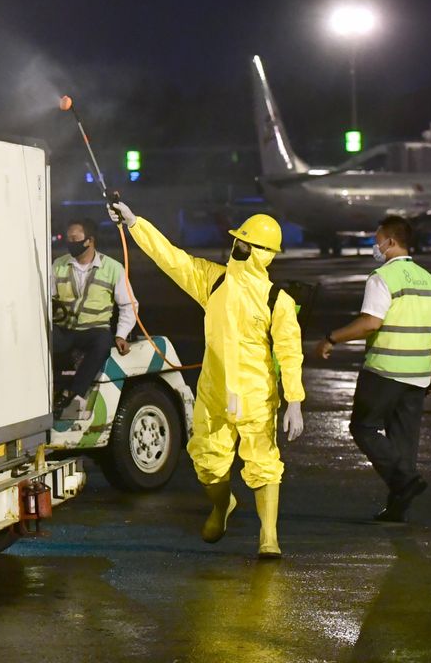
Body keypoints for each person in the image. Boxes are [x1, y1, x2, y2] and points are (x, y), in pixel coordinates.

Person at [109, 203, 305, 558]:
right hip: (214, 394)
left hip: (257, 396)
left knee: (263, 464)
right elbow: (170, 257)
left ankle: (269, 537)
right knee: (208, 466)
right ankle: (222, 505)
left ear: (264, 255)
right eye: (238, 242)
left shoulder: (278, 301)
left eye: (246, 245)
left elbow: (291, 352)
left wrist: (294, 401)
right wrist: (136, 223)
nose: (238, 248)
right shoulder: (212, 280)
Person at [314, 216, 431, 522]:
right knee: (403, 442)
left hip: (385, 369)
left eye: (376, 239)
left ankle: (405, 481)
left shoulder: (383, 277)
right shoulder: (430, 280)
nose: (374, 245)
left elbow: (370, 323)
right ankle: (398, 508)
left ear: (391, 242)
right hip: (418, 372)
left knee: (363, 427)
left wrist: (332, 338)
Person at [51, 217, 136, 420]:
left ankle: (74, 392)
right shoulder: (58, 265)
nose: (71, 243)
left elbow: (128, 305)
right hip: (65, 328)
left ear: (89, 240)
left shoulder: (113, 268)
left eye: (75, 238)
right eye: (68, 239)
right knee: (45, 339)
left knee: (102, 342)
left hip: (94, 329)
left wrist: (121, 335)